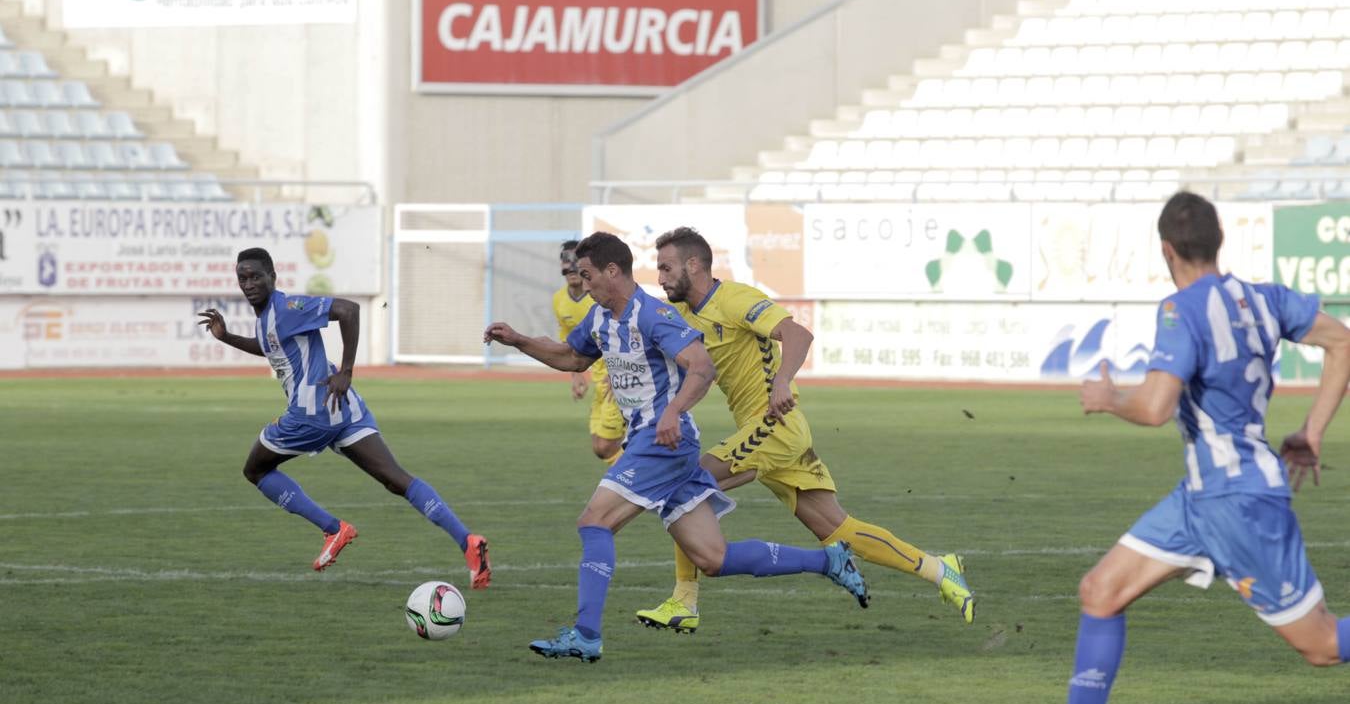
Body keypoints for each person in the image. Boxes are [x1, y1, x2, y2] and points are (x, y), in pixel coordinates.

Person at [992, 191, 1350, 704]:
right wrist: (1311, 431)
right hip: (1201, 497)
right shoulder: (1265, 299)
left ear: (1166, 249)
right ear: (1219, 242)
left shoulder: (1180, 310)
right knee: (1100, 591)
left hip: (1236, 503)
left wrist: (1109, 400)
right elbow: (1342, 340)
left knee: (1319, 644)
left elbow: (1156, 407)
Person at [483, 231, 869, 663]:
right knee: (713, 557)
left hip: (663, 439)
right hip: (658, 441)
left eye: (588, 275)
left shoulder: (653, 315)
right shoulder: (598, 319)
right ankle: (831, 562)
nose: (583, 284)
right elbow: (571, 359)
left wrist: (672, 412)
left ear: (612, 271)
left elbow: (701, 367)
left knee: (595, 522)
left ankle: (586, 634)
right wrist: (519, 340)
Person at [632, 226, 973, 635]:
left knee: (685, 484)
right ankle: (940, 569)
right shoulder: (685, 316)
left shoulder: (736, 299)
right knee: (838, 529)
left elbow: (797, 333)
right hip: (773, 433)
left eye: (666, 267)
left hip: (773, 425)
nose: (661, 277)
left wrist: (782, 380)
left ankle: (684, 600)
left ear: (693, 265)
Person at [197, 247, 491, 588]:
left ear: (272, 277)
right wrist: (227, 337)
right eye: (242, 278)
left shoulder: (287, 307)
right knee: (395, 478)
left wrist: (347, 370)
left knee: (256, 469)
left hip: (312, 414)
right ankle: (468, 542)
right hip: (343, 407)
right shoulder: (270, 318)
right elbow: (271, 345)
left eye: (255, 277)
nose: (249, 284)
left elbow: (348, 310)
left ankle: (333, 528)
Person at [552, 240, 626, 464]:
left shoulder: (602, 297)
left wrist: (621, 373)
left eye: (576, 262)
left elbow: (626, 332)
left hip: (617, 380)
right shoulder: (559, 300)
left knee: (606, 445)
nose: (571, 268)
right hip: (598, 381)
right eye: (566, 261)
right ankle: (643, 484)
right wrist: (576, 376)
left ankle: (648, 482)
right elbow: (568, 339)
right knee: (600, 446)